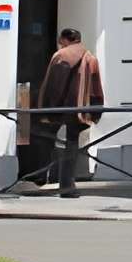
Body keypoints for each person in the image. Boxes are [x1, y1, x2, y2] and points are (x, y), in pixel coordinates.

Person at [33, 26, 104, 197]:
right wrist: (95, 110)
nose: (59, 43)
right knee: (71, 144)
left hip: (61, 108)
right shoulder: (90, 57)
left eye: (60, 40)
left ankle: (42, 176)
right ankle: (67, 184)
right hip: (79, 110)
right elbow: (96, 87)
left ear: (65, 40)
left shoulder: (62, 56)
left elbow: (54, 85)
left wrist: (46, 108)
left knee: (44, 138)